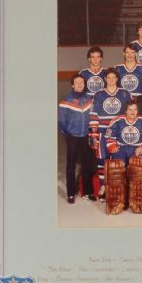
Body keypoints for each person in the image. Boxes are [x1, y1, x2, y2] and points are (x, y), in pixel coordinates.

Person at [89, 68, 132, 201]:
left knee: (118, 159)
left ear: (117, 79)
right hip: (102, 131)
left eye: (114, 77)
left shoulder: (125, 93)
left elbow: (130, 112)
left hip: (119, 131)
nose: (111, 80)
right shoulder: (99, 94)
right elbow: (93, 114)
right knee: (102, 159)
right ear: (105, 79)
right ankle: (103, 186)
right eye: (109, 77)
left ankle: (119, 187)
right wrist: (94, 133)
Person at [58, 74, 96, 203]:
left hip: (86, 136)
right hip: (72, 137)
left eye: (81, 82)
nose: (79, 84)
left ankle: (87, 191)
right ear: (72, 85)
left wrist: (91, 133)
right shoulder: (65, 101)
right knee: (71, 166)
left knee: (87, 165)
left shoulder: (89, 100)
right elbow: (62, 122)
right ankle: (70, 193)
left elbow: (93, 118)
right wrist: (68, 133)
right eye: (77, 82)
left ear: (84, 84)